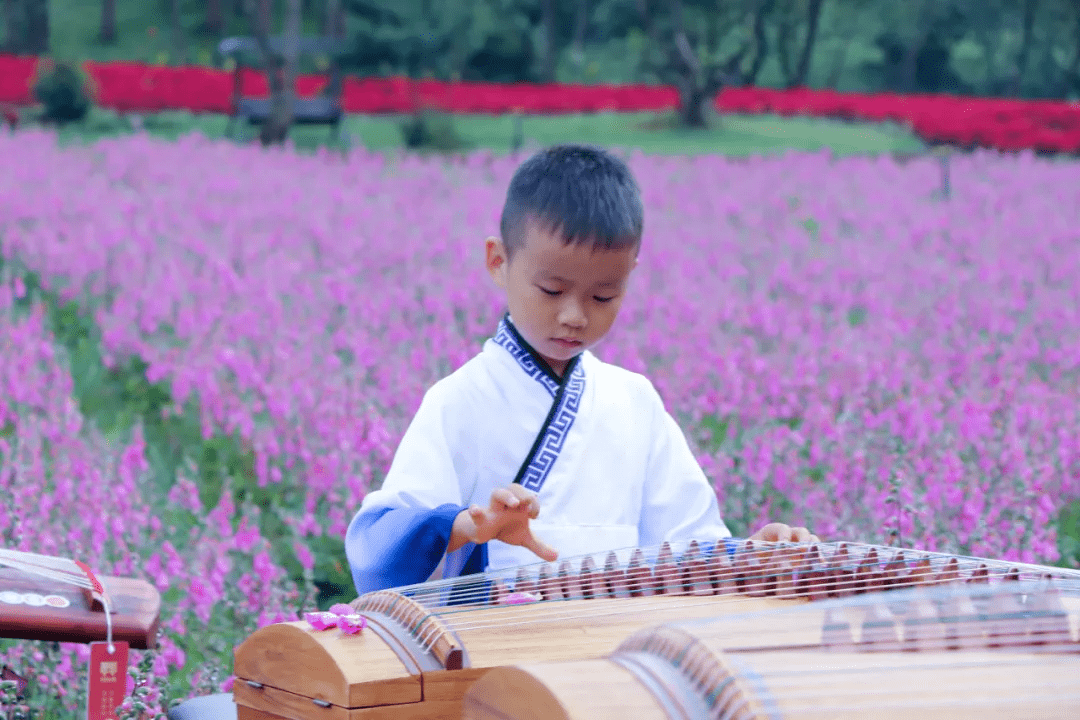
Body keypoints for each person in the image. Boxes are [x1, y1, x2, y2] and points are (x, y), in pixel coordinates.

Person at [345, 145, 817, 595]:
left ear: (630, 276)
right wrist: (465, 527)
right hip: (496, 665)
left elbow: (689, 544)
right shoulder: (459, 400)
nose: (575, 315)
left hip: (617, 657)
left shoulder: (635, 401)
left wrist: (752, 554)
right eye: (552, 290)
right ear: (498, 261)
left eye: (603, 296)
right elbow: (379, 547)